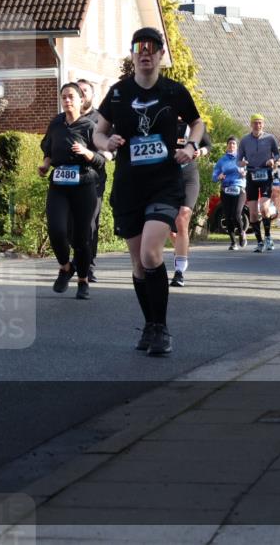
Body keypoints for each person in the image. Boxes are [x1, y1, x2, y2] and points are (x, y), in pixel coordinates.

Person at [94, 26, 204, 356]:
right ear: (132, 55)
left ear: (160, 55)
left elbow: (197, 122)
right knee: (138, 264)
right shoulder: (117, 93)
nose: (145, 53)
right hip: (129, 185)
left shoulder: (173, 91)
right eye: (139, 48)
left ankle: (163, 328)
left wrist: (191, 143)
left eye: (152, 48)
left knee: (150, 253)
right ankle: (150, 325)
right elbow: (98, 132)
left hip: (165, 183)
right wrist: (106, 142)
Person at [39, 83, 105, 300]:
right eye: (64, 97)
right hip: (59, 184)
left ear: (80, 101)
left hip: (84, 184)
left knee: (81, 238)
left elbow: (101, 160)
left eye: (71, 97)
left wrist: (87, 153)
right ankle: (66, 267)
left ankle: (83, 280)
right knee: (56, 230)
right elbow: (48, 149)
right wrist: (46, 165)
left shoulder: (89, 126)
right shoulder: (56, 123)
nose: (67, 101)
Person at [76, 78, 108, 283]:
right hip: (70, 178)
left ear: (91, 95)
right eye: (77, 90)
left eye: (85, 90)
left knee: (90, 223)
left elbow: (107, 145)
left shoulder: (100, 118)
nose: (81, 94)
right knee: (71, 223)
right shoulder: (66, 118)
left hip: (94, 177)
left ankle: (88, 265)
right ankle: (77, 258)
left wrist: (105, 152)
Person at [171, 119, 210, 286]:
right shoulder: (163, 120)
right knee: (172, 230)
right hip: (168, 178)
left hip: (189, 177)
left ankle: (179, 271)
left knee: (182, 218)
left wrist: (200, 152)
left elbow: (208, 145)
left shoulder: (194, 125)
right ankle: (182, 249)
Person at [237, 114, 280, 252]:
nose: (258, 125)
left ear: (263, 124)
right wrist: (242, 163)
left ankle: (268, 237)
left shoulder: (270, 138)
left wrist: (273, 160)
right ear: (251, 124)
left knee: (265, 208)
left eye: (260, 123)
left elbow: (278, 154)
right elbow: (238, 160)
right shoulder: (244, 140)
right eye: (255, 123)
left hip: (266, 175)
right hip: (251, 176)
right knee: (253, 213)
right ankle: (259, 241)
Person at [212, 136, 247, 250]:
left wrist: (244, 174)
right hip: (226, 189)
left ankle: (242, 233)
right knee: (228, 217)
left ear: (237, 146)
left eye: (234, 144)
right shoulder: (222, 160)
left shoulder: (242, 159)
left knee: (237, 214)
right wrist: (219, 176)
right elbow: (214, 175)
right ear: (227, 146)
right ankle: (233, 242)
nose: (231, 146)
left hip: (239, 189)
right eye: (230, 144)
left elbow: (249, 170)